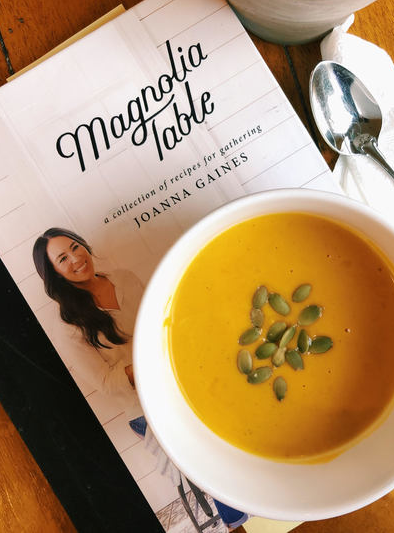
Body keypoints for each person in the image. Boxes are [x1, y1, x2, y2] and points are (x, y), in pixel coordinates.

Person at [33, 227, 248, 531]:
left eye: (75, 247)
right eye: (62, 258)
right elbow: (105, 383)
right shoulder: (66, 325)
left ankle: (257, 501)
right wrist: (147, 361)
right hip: (145, 410)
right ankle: (239, 520)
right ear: (54, 273)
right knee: (206, 460)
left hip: (180, 380)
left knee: (233, 433)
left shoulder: (123, 277)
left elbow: (161, 320)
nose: (76, 258)